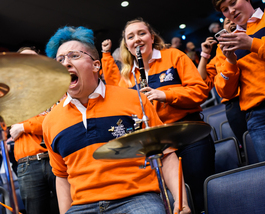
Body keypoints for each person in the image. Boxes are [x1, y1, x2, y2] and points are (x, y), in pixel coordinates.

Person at [44, 26, 190, 214]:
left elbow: (167, 154)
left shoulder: (134, 99)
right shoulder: (50, 121)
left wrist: (181, 201)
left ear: (96, 65)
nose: (65, 63)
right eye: (60, 60)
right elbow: (62, 177)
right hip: (83, 207)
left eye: (74, 56)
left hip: (137, 198)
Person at [101, 18, 214, 214]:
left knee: (200, 197)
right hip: (157, 146)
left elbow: (200, 92)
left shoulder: (173, 56)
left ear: (152, 37)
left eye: (141, 33)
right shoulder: (127, 77)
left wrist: (165, 95)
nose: (136, 39)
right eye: (131, 37)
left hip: (189, 136)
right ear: (126, 44)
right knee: (170, 203)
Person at [0, 2, 59, 213]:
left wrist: (24, 127)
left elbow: (56, 120)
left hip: (58, 158)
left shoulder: (56, 87)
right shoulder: (10, 93)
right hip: (27, 164)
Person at [212, 0, 265, 161]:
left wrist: (252, 44)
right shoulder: (227, 43)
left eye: (233, 2)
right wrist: (230, 62)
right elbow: (225, 91)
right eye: (224, 9)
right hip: (258, 116)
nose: (231, 11)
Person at [198, 17, 247, 146]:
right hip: (234, 104)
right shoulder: (220, 52)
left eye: (233, 19)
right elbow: (202, 78)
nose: (231, 21)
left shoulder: (251, 38)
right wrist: (205, 54)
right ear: (222, 30)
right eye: (227, 21)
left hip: (256, 95)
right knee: (248, 145)